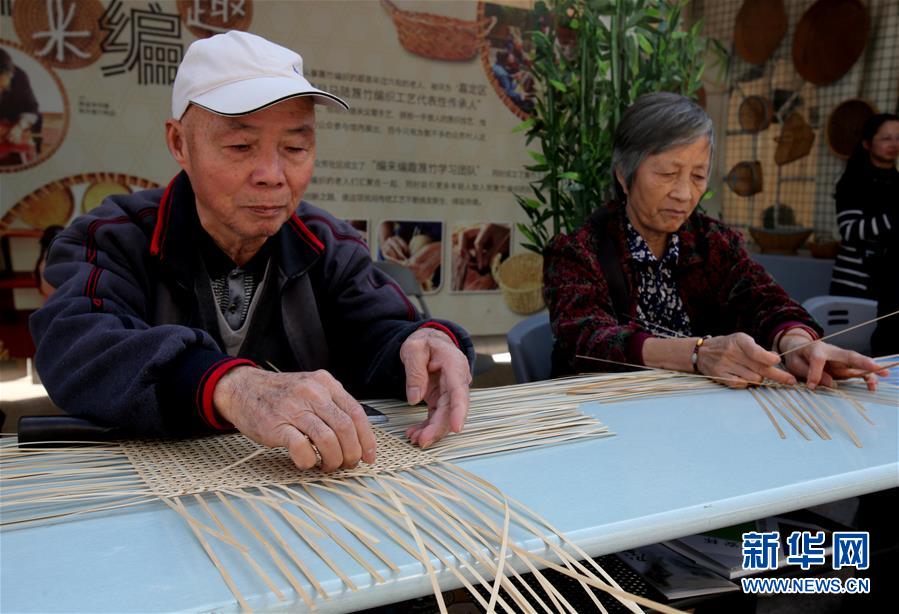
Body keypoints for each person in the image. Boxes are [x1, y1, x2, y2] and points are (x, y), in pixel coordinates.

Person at [30, 31, 474, 472]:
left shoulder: (326, 243)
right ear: (180, 143)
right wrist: (231, 386)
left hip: (303, 494)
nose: (272, 175)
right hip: (151, 498)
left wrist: (423, 346)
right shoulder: (111, 237)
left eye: (295, 147)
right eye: (241, 146)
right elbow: (76, 342)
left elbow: (378, 329)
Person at [544, 92, 887, 389]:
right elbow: (586, 340)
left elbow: (763, 299)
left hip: (701, 418)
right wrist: (698, 353)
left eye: (697, 176)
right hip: (608, 420)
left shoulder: (712, 242)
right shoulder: (577, 251)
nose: (683, 193)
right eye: (666, 174)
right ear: (623, 173)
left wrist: (796, 344)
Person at [829, 113, 899, 354]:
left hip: (889, 284)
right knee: (851, 350)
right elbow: (849, 230)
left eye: (898, 138)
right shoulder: (853, 181)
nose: (894, 144)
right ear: (867, 143)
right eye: (886, 138)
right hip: (855, 281)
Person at [0, 48, 41, 163]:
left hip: (13, 123)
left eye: (1, 86)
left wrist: (19, 127)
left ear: (10, 74)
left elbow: (31, 109)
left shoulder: (20, 76)